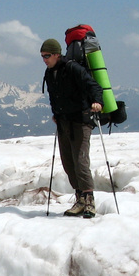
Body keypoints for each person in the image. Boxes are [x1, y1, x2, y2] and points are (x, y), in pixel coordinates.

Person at [40, 38, 103, 217]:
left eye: (47, 55)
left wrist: (97, 102)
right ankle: (80, 199)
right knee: (68, 162)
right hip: (64, 122)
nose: (44, 59)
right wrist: (56, 114)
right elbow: (54, 96)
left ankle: (89, 201)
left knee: (81, 161)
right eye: (42, 56)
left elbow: (93, 86)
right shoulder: (50, 72)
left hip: (81, 120)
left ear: (57, 54)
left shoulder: (73, 68)